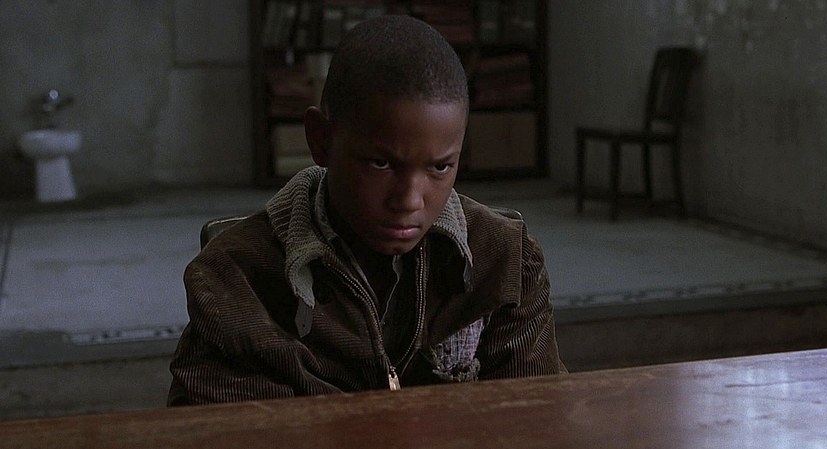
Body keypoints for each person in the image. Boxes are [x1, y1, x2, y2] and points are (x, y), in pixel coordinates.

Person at [168, 14, 566, 406]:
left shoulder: (505, 261)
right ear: (321, 140)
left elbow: (536, 416)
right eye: (381, 163)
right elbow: (220, 430)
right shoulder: (236, 277)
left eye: (440, 167)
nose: (409, 200)